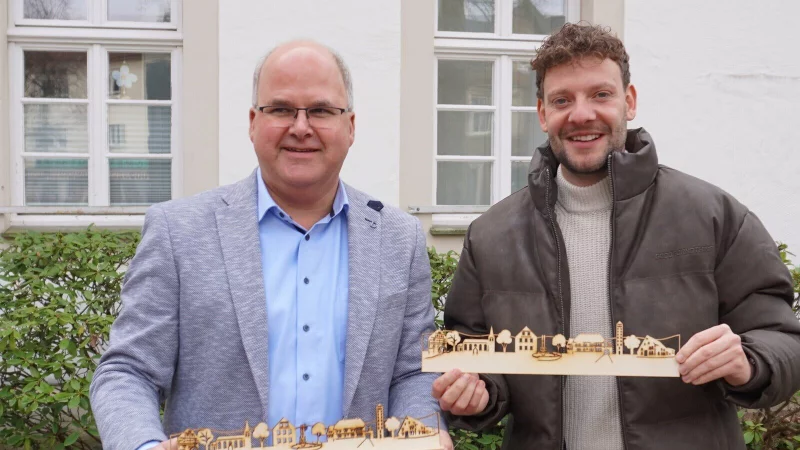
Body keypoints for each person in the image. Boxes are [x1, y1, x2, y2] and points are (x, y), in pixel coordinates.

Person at [432, 23, 800, 450]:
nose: (582, 114)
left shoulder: (714, 216)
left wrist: (749, 362)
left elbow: (784, 341)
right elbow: (473, 351)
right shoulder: (491, 235)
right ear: (542, 113)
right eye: (562, 100)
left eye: (600, 95)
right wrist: (477, 393)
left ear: (629, 101)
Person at [90, 41, 452, 450]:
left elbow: (413, 372)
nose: (301, 127)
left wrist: (422, 431)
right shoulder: (179, 232)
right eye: (280, 109)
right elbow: (127, 371)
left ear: (350, 126)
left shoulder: (397, 238)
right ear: (252, 122)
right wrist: (142, 445)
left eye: (320, 110)